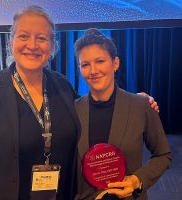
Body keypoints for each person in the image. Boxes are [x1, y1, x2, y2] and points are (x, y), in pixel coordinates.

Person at [0, 5, 159, 200]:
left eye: (41, 38)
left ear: (52, 46)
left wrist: (134, 100)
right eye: (23, 36)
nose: (32, 45)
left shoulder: (61, 85)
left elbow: (91, 106)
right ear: (11, 42)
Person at [74, 29, 172, 200]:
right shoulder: (73, 110)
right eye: (85, 64)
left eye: (100, 61)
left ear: (115, 63)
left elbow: (163, 155)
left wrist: (137, 180)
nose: (93, 70)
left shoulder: (141, 106)